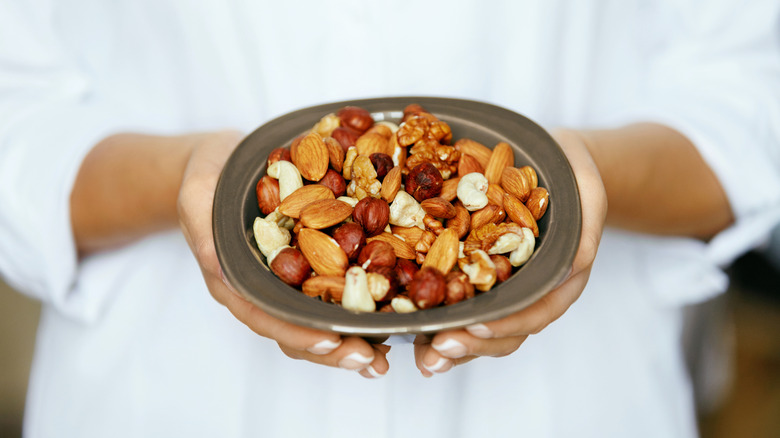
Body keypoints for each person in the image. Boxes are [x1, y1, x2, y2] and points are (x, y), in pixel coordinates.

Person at [1, 1, 778, 437]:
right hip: (168, 399)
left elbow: (749, 98)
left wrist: (578, 180)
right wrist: (184, 179)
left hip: (570, 404)